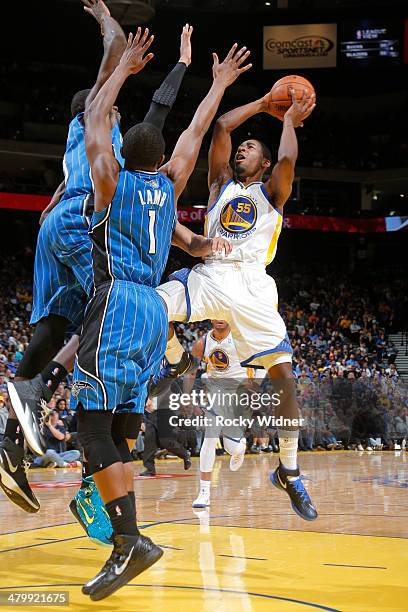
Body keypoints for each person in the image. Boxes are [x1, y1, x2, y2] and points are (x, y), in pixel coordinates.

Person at [71, 30, 252, 600]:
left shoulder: (110, 179)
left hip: (119, 298)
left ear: (126, 154)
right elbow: (196, 131)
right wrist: (218, 82)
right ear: (161, 159)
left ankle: (128, 540)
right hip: (155, 308)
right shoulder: (170, 185)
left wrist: (122, 67)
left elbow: (95, 117)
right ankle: (127, 532)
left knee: (90, 423)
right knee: (122, 425)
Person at [156, 87, 318, 521]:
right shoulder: (218, 185)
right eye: (242, 148)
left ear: (263, 164)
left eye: (252, 148)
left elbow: (287, 161)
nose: (243, 148)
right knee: (148, 305)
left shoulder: (272, 193)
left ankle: (289, 469)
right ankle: (178, 360)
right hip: (212, 272)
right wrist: (265, 103)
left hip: (252, 288)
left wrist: (286, 122)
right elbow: (224, 125)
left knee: (285, 383)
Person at [1, 0, 127, 513]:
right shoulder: (97, 115)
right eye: (112, 104)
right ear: (96, 107)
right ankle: (43, 394)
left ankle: (10, 442)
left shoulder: (79, 142)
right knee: (109, 304)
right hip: (79, 221)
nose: (116, 109)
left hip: (56, 225)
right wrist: (105, 22)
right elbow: (117, 49)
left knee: (53, 326)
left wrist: (55, 195)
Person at [189, 320, 261, 508]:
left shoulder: (242, 339)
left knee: (231, 447)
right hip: (216, 394)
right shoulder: (202, 344)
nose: (220, 319)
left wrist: (255, 388)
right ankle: (204, 492)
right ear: (211, 318)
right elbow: (190, 371)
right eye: (216, 315)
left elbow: (263, 363)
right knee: (210, 438)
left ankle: (240, 448)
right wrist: (188, 397)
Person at [140, 397, 191, 477]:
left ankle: (185, 454)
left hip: (166, 413)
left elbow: (180, 395)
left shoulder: (171, 385)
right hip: (152, 415)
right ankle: (150, 470)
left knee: (165, 441)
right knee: (149, 440)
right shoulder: (149, 385)